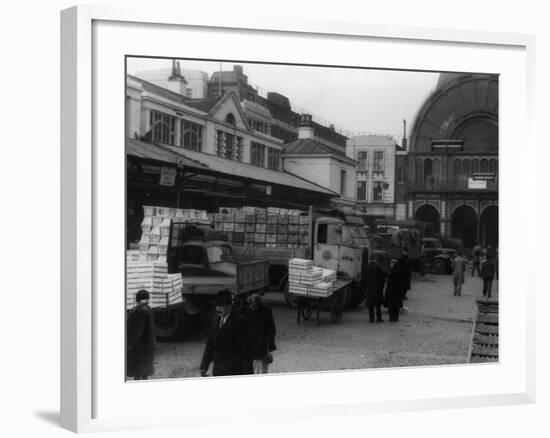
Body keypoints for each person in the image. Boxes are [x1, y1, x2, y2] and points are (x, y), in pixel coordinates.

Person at [200, 289, 253, 377]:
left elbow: (246, 351)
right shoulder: (215, 319)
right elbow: (210, 344)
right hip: (218, 370)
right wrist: (204, 365)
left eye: (221, 306)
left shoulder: (240, 322)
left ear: (229, 305)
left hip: (234, 371)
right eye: (217, 306)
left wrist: (247, 375)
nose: (218, 309)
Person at [243, 293, 277, 374]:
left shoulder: (266, 311)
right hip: (250, 348)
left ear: (259, 304)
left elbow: (271, 330)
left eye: (255, 304)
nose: (253, 307)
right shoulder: (246, 311)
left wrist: (268, 348)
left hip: (261, 348)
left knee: (261, 371)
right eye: (251, 304)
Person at [127, 289, 156, 380]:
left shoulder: (140, 311)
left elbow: (137, 331)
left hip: (139, 346)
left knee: (138, 369)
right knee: (144, 369)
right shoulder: (148, 309)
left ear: (137, 299)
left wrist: (130, 344)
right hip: (147, 345)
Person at [364, 254, 386, 322]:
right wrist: (382, 287)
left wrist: (364, 288)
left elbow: (364, 279)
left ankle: (371, 318)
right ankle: (379, 318)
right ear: (374, 259)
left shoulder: (366, 267)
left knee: (371, 305)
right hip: (377, 289)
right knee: (378, 305)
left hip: (369, 289)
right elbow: (382, 278)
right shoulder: (378, 267)